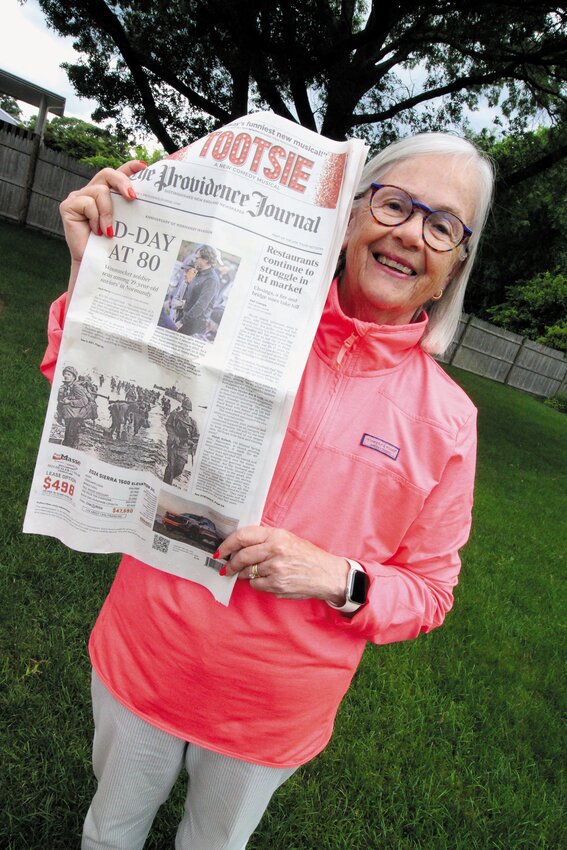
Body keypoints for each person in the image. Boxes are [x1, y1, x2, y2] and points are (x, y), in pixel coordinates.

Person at [41, 131, 494, 850]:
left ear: (451, 269)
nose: (409, 232)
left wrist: (338, 576)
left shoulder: (449, 423)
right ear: (349, 219)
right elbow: (92, 394)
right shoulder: (242, 317)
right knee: (109, 833)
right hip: (146, 655)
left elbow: (430, 591)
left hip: (269, 712)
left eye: (440, 224)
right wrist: (96, 270)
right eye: (393, 204)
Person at [177, 245, 221, 337]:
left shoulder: (211, 280)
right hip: (185, 318)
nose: (195, 260)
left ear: (206, 260)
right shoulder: (199, 273)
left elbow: (201, 306)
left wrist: (182, 322)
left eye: (197, 258)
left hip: (193, 326)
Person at [163, 397, 200, 485]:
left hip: (184, 449)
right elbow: (168, 426)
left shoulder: (192, 423)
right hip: (173, 446)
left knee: (179, 469)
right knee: (171, 467)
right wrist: (174, 437)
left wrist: (193, 443)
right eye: (185, 408)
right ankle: (166, 483)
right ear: (182, 407)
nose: (186, 411)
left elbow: (196, 436)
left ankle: (168, 477)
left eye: (188, 410)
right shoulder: (174, 415)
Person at [55, 365, 91, 448]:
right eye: (65, 374)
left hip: (76, 414)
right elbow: (60, 401)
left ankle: (70, 448)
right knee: (68, 431)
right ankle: (67, 446)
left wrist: (70, 401)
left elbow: (84, 401)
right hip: (69, 414)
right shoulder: (64, 387)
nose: (66, 376)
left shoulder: (77, 387)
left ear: (74, 377)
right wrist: (59, 414)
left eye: (69, 374)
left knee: (72, 433)